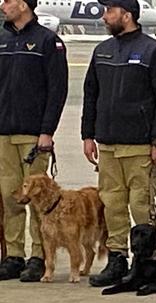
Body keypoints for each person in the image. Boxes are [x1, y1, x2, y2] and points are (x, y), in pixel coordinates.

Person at [82, 0, 156, 287]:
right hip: (108, 144)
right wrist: (88, 135)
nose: (104, 16)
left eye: (109, 11)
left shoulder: (153, 51)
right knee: (113, 205)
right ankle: (117, 258)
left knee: (140, 205)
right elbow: (90, 94)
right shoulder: (102, 51)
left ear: (127, 15)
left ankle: (150, 261)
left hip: (140, 147)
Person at [0, 0, 67, 282]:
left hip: (33, 134)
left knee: (39, 200)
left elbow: (57, 90)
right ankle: (14, 255)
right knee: (9, 196)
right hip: (4, 132)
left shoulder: (48, 41)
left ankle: (40, 255)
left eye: (10, 0)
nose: (4, 5)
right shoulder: (2, 40)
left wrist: (47, 131)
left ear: (25, 5)